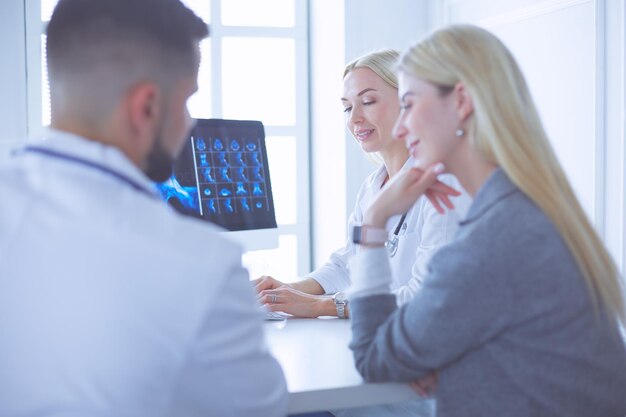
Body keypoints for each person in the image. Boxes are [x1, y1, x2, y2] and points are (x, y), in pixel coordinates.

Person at [0, 1, 287, 416]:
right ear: (146, 107)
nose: (189, 122)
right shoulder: (201, 264)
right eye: (187, 101)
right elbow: (263, 409)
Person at [348, 24, 626, 417]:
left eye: (409, 103)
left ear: (461, 101)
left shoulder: (495, 240)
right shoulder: (521, 210)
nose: (399, 127)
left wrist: (374, 223)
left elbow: (375, 359)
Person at [255, 49, 470, 319]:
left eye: (367, 101)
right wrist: (287, 291)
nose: (354, 118)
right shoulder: (373, 186)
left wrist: (320, 305)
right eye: (347, 107)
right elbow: (348, 263)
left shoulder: (446, 183)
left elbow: (428, 297)